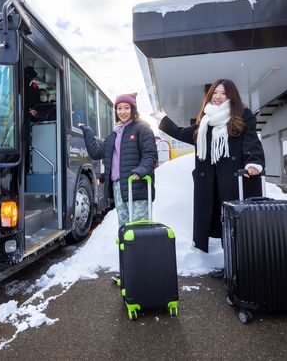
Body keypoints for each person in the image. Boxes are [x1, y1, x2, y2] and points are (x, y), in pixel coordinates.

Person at [155, 79, 264, 274]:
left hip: (232, 180)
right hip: (210, 181)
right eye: (215, 93)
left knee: (234, 222)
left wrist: (253, 163)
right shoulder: (205, 120)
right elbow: (183, 133)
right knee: (221, 221)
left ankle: (240, 268)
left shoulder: (242, 115)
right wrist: (163, 120)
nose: (218, 96)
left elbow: (251, 142)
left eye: (223, 93)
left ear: (231, 96)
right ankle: (230, 266)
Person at [78, 93, 158, 227]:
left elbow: (150, 155)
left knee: (139, 227)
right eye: (119, 108)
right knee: (124, 226)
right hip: (118, 186)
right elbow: (96, 153)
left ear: (133, 109)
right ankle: (127, 249)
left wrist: (141, 171)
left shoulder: (142, 128)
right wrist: (88, 132)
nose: (123, 112)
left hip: (136, 183)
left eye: (126, 108)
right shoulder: (115, 133)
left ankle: (139, 249)